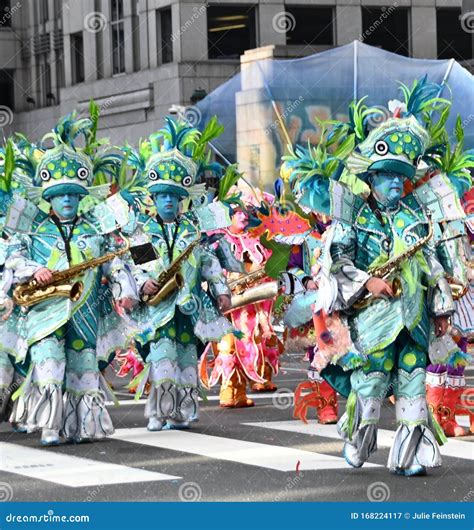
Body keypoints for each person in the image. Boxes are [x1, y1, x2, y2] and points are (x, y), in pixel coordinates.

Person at [286, 78, 470, 476]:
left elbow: (434, 265)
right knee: (369, 387)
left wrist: (441, 308)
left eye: (399, 176)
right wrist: (367, 281)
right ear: (370, 178)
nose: (394, 183)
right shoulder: (354, 216)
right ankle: (359, 437)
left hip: (413, 319)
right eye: (386, 175)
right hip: (372, 320)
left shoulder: (416, 215)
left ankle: (408, 455)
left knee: (412, 381)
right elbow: (336, 261)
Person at [2, 112, 137, 446]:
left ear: (81, 196)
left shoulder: (95, 228)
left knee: (81, 366)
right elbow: (9, 258)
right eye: (60, 194)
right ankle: (50, 425)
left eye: (73, 194)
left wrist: (126, 291)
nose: (66, 200)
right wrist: (35, 270)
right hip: (44, 311)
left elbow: (117, 262)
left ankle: (81, 425)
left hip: (86, 311)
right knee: (48, 365)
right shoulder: (31, 228)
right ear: (48, 197)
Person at [126, 117, 234, 431]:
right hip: (157, 308)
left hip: (189, 308)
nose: (169, 201)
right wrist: (143, 285)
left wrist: (221, 290)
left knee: (187, 362)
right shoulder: (144, 230)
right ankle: (159, 412)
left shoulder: (193, 228)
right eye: (163, 196)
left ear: (181, 198)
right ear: (155, 198)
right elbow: (137, 266)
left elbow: (209, 263)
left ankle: (184, 410)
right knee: (162, 362)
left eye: (174, 196)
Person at [204, 199, 281, 408]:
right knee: (228, 345)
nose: (244, 215)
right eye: (238, 212)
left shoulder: (252, 239)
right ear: (228, 214)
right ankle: (228, 390)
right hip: (226, 301)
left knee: (248, 345)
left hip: (248, 304)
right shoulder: (218, 239)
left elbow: (262, 269)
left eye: (245, 212)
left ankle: (238, 392)